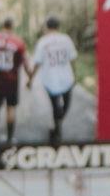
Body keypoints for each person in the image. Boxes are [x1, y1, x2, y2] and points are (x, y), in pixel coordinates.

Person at [28, 16, 78, 147]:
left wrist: (30, 79)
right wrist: (75, 75)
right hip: (66, 77)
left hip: (50, 79)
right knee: (66, 104)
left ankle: (57, 124)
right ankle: (57, 128)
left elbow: (37, 63)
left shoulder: (42, 42)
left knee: (55, 105)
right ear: (58, 25)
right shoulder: (66, 39)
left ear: (46, 26)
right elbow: (72, 59)